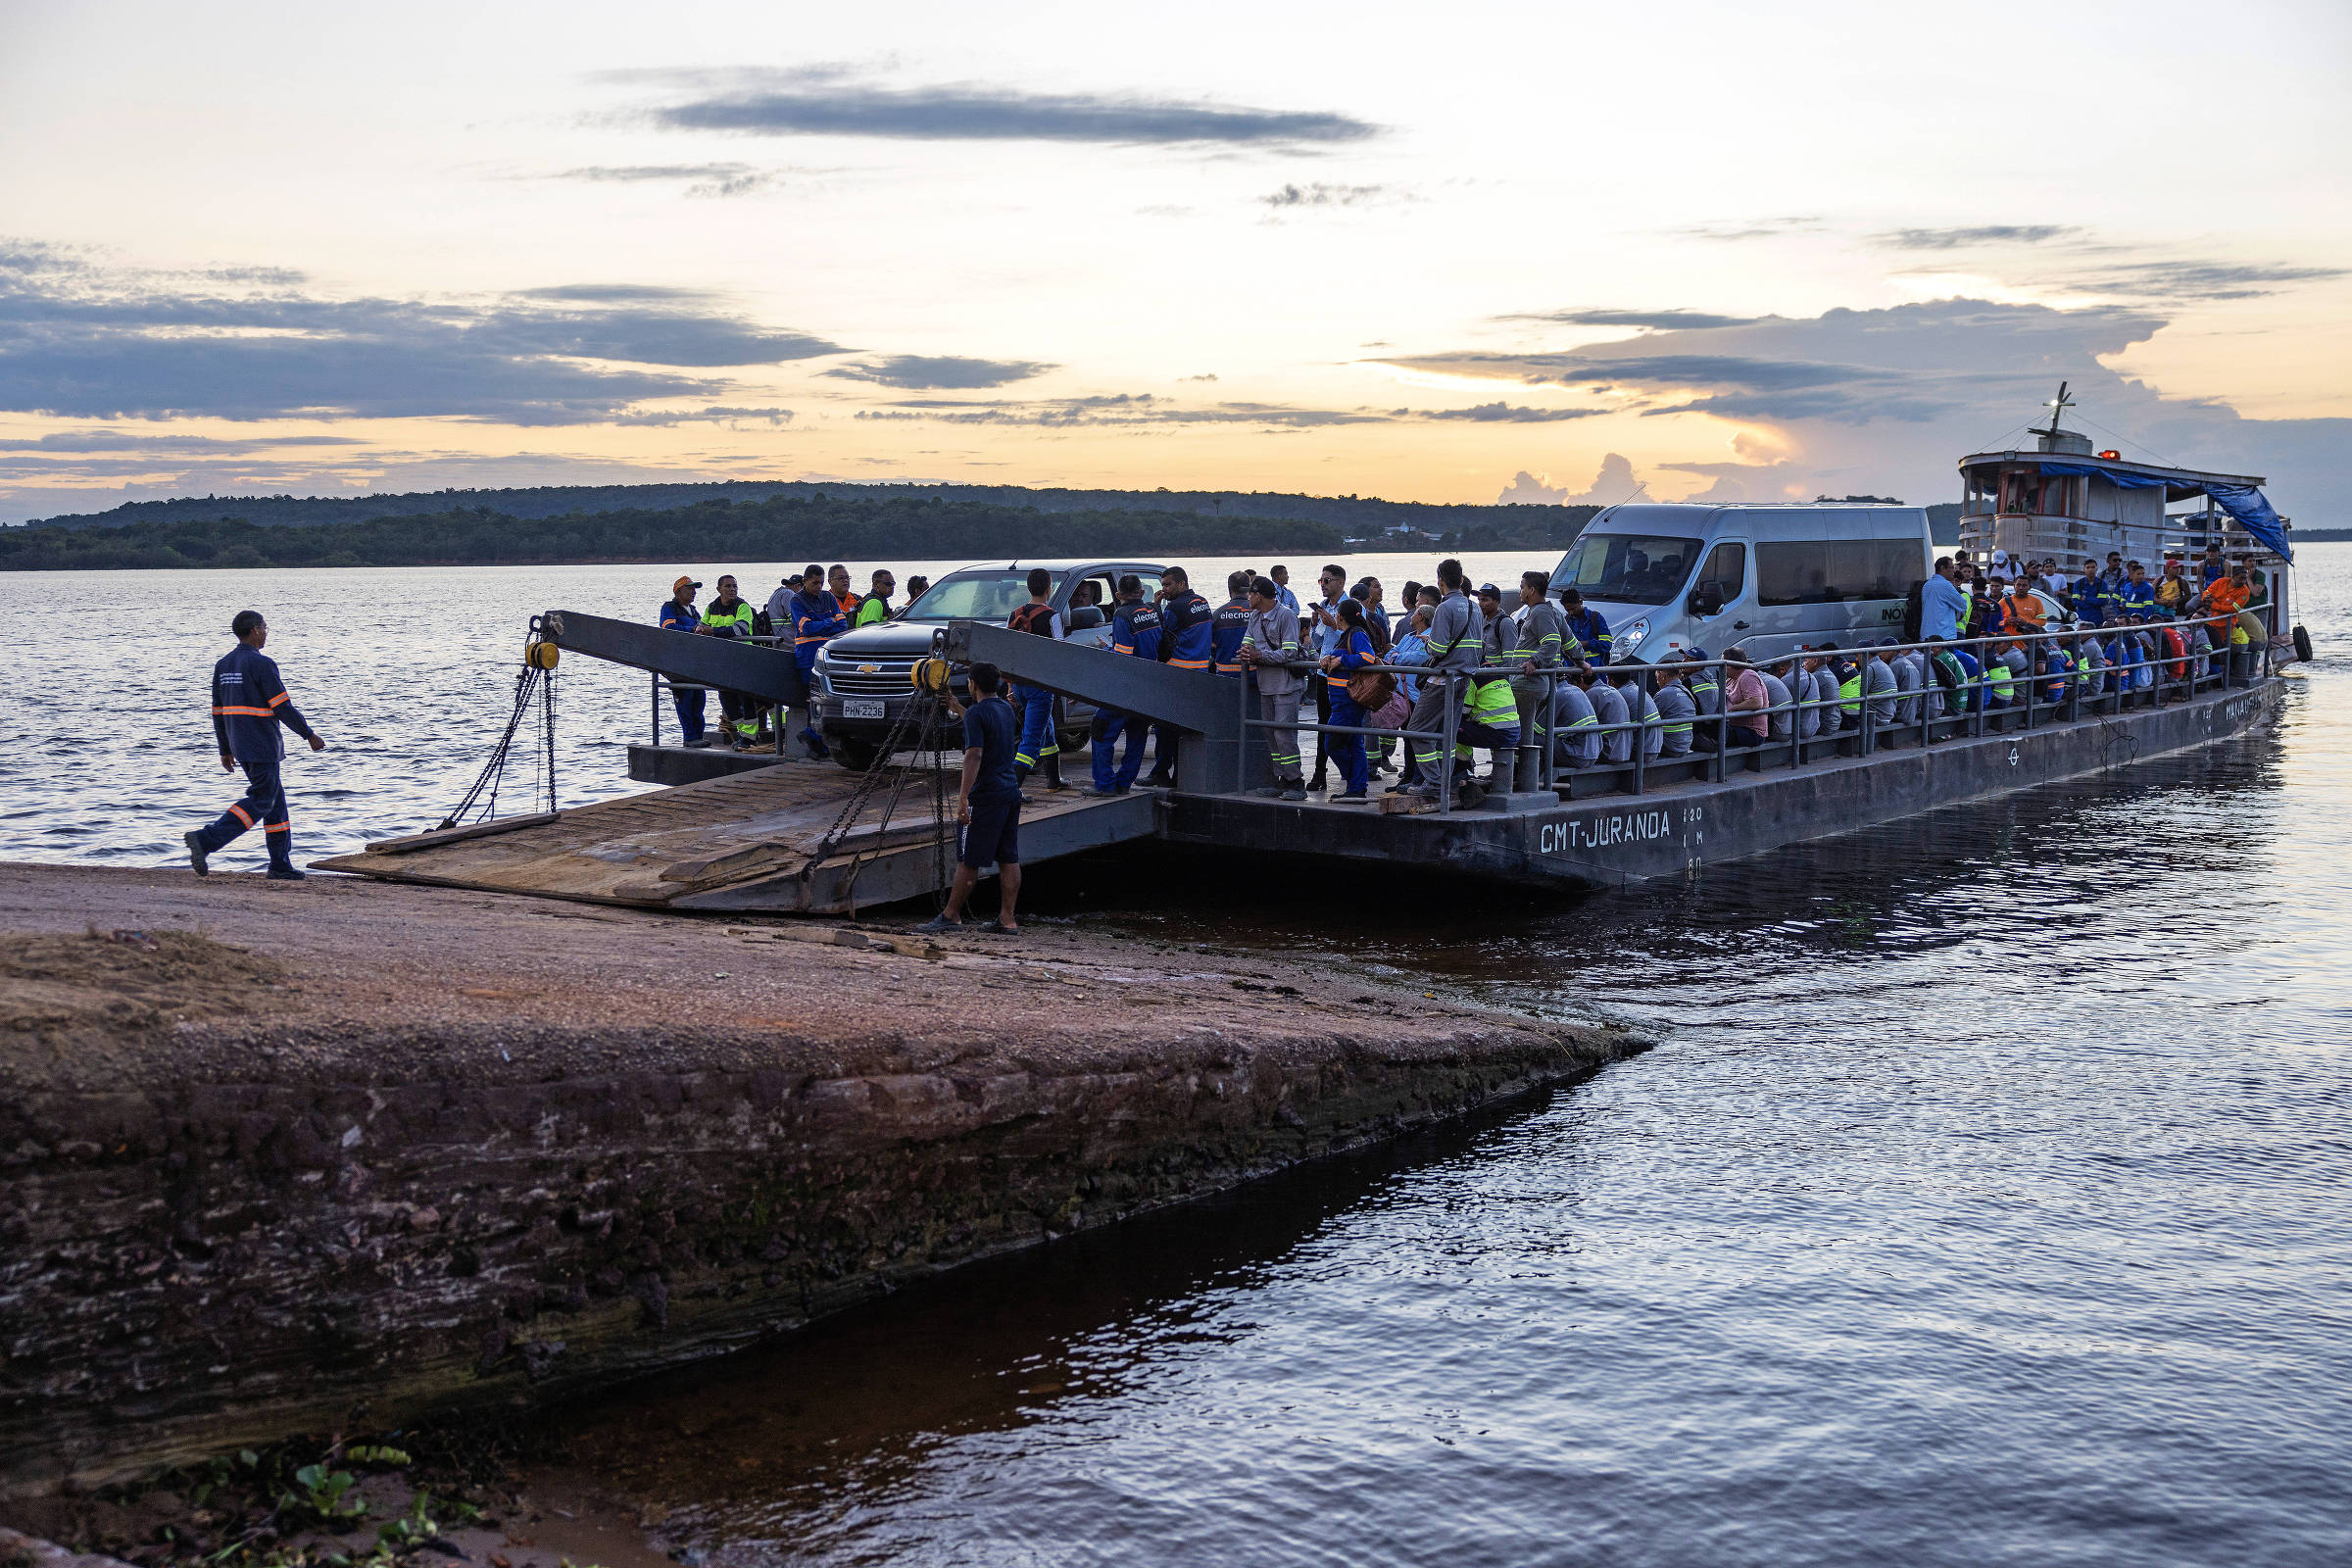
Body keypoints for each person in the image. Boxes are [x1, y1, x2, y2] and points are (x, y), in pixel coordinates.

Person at [185, 610, 326, 881]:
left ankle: (279, 864)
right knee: (262, 800)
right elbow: (282, 706)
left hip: (239, 743)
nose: (266, 633)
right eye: (265, 627)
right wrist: (308, 734)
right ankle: (206, 840)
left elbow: (217, 711)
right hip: (261, 744)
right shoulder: (262, 664)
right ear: (254, 630)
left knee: (275, 803)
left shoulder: (223, 664)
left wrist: (225, 748)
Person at [917, 662, 1024, 936]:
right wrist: (958, 708)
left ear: (973, 684)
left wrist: (964, 796)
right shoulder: (1005, 708)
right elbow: (985, 725)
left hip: (985, 796)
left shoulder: (977, 714)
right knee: (1008, 858)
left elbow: (974, 753)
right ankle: (1007, 919)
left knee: (969, 860)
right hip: (1009, 792)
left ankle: (951, 916)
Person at [1405, 559, 1484, 798]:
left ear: (1440, 580)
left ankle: (1434, 781)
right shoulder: (1475, 607)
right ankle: (1445, 781)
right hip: (1465, 678)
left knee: (1417, 730)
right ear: (1461, 580)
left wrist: (1428, 644)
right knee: (1447, 732)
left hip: (1443, 680)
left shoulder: (1444, 608)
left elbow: (1438, 650)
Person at [1092, 575, 1162, 794]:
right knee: (1137, 736)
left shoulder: (1122, 615)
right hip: (1149, 686)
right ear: (1141, 593)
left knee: (1101, 731)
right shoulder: (1153, 612)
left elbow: (1124, 656)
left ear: (1118, 595)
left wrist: (1106, 649)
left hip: (1125, 687)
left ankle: (1104, 785)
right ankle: (1124, 783)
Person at [1239, 574, 1307, 799]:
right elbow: (1247, 642)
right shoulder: (1255, 617)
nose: (1247, 597)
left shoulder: (1286, 616)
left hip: (1286, 686)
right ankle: (1281, 778)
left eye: (1250, 593)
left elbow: (1289, 653)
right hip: (1266, 685)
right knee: (1270, 733)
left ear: (1259, 595)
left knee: (1284, 734)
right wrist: (1245, 653)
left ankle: (1296, 782)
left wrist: (1260, 655)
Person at [1004, 567, 1065, 791]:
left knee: (1046, 730)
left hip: (1020, 684)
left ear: (1029, 587)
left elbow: (1009, 652)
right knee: (1031, 740)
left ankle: (1054, 780)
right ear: (1049, 588)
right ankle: (1011, 790)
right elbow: (1061, 651)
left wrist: (1010, 685)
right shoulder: (1052, 616)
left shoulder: (1015, 614)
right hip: (1041, 686)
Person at [1318, 599, 1381, 802]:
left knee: (1332, 744)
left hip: (1348, 701)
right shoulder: (1345, 635)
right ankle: (1356, 787)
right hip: (1340, 700)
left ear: (1340, 616)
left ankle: (1353, 778)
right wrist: (1328, 660)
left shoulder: (1357, 634)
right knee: (1354, 743)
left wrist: (1341, 660)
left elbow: (1367, 657)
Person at [700, 573, 768, 750]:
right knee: (726, 698)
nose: (732, 589)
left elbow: (739, 629)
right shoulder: (711, 607)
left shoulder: (742, 606)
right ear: (719, 589)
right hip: (723, 660)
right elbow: (701, 627)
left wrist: (711, 631)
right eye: (728, 586)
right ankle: (742, 732)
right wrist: (702, 630)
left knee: (746, 699)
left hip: (744, 658)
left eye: (734, 586)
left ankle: (749, 738)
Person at [786, 564, 847, 759]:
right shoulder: (797, 600)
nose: (818, 587)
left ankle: (815, 738)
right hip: (807, 656)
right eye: (814, 583)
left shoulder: (828, 597)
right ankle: (814, 738)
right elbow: (806, 628)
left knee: (828, 697)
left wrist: (822, 624)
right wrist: (829, 622)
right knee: (813, 699)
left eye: (821, 583)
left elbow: (843, 624)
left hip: (827, 656)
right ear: (804, 581)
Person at [1304, 564, 1348, 792]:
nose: (1323, 584)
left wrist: (1335, 626)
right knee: (1323, 723)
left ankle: (1350, 771)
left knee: (1345, 724)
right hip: (1324, 672)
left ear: (1340, 582)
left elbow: (1358, 638)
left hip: (1342, 674)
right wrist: (1314, 625)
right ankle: (1319, 772)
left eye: (1328, 580)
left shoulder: (1350, 607)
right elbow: (1318, 642)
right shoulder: (1323, 606)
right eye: (1321, 580)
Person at [659, 575, 709, 747]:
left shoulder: (693, 610)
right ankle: (690, 738)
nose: (693, 592)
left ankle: (698, 736)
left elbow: (703, 626)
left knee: (699, 699)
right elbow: (668, 628)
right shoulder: (669, 608)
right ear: (678, 591)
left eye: (694, 589)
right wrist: (692, 629)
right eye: (689, 588)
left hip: (695, 664)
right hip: (678, 664)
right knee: (685, 701)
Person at [1212, 570, 1254, 677]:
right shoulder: (1258, 612)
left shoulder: (1218, 614)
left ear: (1230, 589)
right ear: (1249, 587)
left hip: (1225, 674)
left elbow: (1211, 645)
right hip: (1254, 673)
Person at [1651, 661, 1696, 759]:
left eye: (1657, 677)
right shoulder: (1687, 692)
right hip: (1685, 747)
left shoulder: (1663, 694)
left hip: (1670, 748)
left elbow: (1649, 722)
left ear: (1663, 676)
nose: (1657, 681)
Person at [1561, 588, 1612, 666]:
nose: (1571, 612)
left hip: (1595, 670)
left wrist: (1586, 644)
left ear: (1580, 602)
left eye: (1573, 608)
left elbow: (1607, 644)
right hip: (1572, 671)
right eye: (1568, 610)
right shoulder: (1566, 621)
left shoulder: (1596, 618)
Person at [1922, 557, 1968, 642]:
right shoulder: (1945, 585)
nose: (1954, 571)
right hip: (1943, 635)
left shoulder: (1927, 584)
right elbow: (1963, 604)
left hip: (1926, 635)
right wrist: (1953, 585)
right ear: (1942, 568)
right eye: (1951, 568)